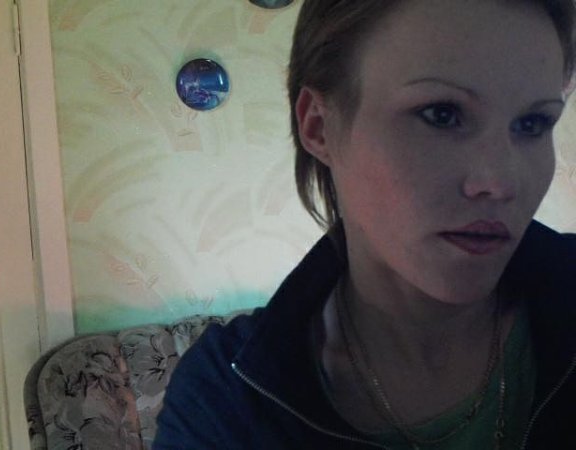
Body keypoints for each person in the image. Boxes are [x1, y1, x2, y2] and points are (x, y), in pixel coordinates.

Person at [154, 0, 576, 448]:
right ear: (319, 127)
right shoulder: (226, 402)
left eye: (533, 123)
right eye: (442, 114)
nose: (500, 183)